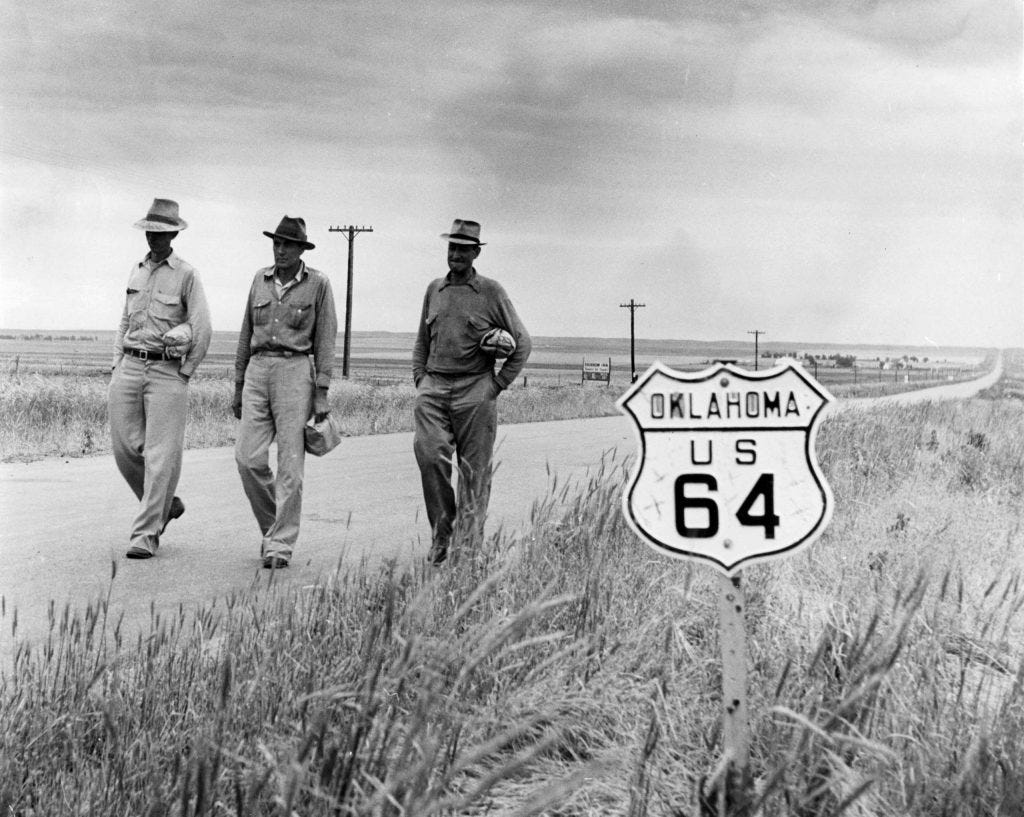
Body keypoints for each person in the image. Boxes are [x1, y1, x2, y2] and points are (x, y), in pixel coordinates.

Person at [412, 219, 531, 565]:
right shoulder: (434, 289)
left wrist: (496, 385)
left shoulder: (492, 292)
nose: (456, 254)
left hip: (475, 390)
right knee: (430, 456)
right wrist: (421, 379)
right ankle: (442, 533)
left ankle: (467, 549)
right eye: (452, 247)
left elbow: (522, 342)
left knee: (474, 472)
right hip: (433, 388)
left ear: (476, 252)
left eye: (464, 249)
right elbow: (421, 340)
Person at [109, 198, 212, 559]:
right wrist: (116, 365)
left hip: (167, 372)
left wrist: (185, 372)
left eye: (163, 232)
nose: (156, 237)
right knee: (124, 447)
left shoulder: (186, 274)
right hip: (130, 366)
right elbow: (124, 320)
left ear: (174, 234)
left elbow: (202, 328)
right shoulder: (136, 270)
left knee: (159, 456)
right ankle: (164, 505)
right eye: (151, 231)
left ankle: (145, 535)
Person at [233, 216, 338, 568]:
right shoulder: (259, 280)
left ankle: (280, 545)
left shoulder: (318, 284)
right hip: (258, 370)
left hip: (295, 372)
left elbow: (325, 339)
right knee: (248, 459)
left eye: (288, 244)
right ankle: (272, 529)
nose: (280, 250)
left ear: (300, 249)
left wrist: (321, 391)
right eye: (276, 243)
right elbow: (245, 333)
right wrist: (238, 384)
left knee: (290, 466)